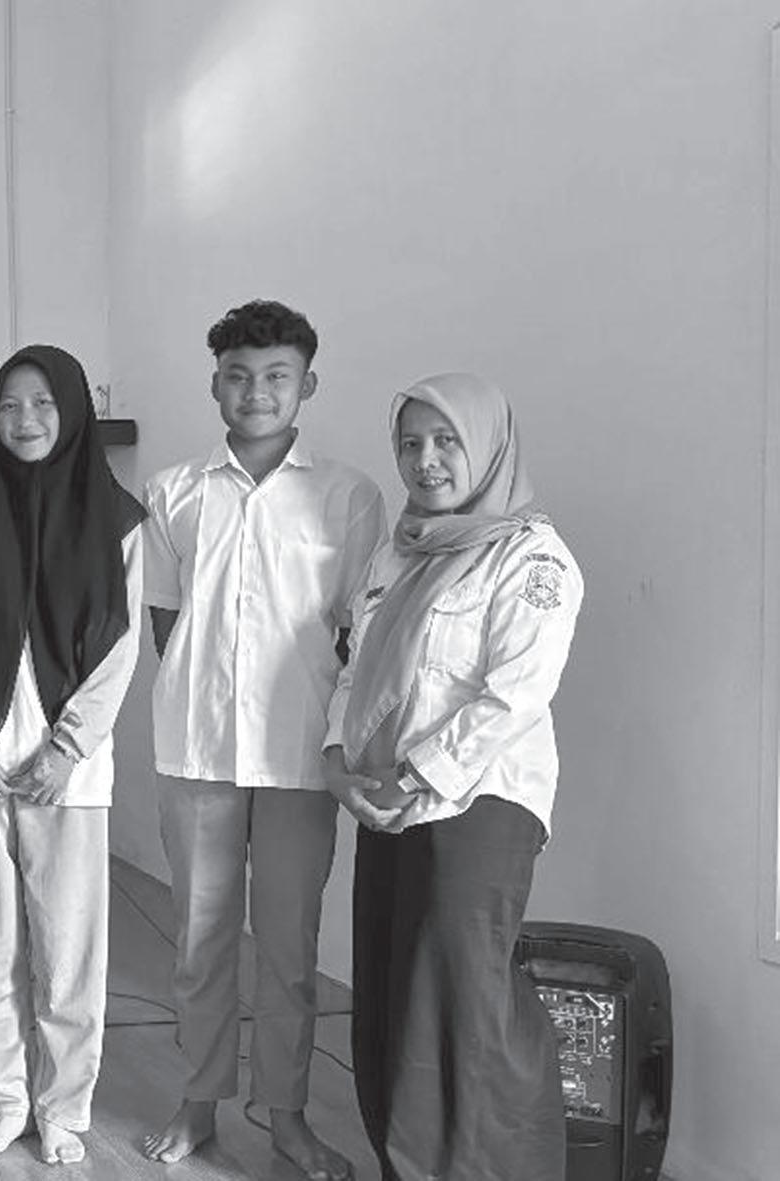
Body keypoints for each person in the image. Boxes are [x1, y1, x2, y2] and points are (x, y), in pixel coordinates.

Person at [139, 301, 383, 1178]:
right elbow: (167, 621)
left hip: (299, 758)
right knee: (199, 942)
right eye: (238, 376)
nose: (256, 392)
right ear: (215, 384)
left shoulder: (348, 496)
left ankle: (286, 1117)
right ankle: (198, 1102)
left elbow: (359, 632)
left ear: (308, 384)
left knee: (288, 950)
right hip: (197, 751)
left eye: (277, 375)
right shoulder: (172, 491)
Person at [326, 373, 581, 1181]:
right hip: (386, 796)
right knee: (390, 991)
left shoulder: (532, 557)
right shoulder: (399, 548)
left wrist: (416, 775)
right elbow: (355, 667)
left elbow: (514, 693)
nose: (425, 460)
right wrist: (337, 759)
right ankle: (403, 1162)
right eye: (410, 443)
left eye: (446, 441)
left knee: (462, 1006)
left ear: (489, 446)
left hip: (480, 800)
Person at [0, 344, 145, 1165]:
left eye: (44, 402)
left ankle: (63, 1109)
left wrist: (68, 746)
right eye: (10, 403)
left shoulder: (118, 516)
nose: (25, 419)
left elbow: (120, 645)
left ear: (74, 409)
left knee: (69, 951)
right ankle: (3, 1099)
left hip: (67, 774)